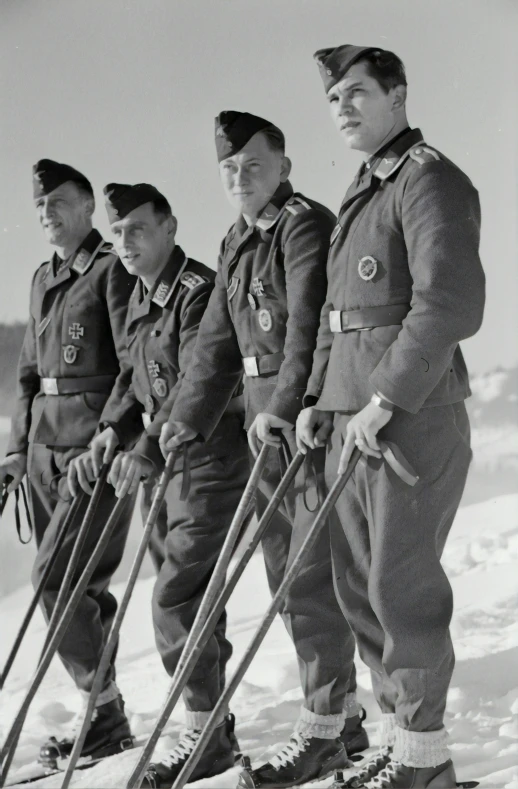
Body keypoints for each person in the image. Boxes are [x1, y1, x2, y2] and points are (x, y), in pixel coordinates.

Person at [296, 45, 485, 788]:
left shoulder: (429, 177)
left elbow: (448, 304)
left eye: (357, 92)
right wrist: (319, 400)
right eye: (335, 97)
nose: (342, 106)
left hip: (410, 415)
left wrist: (384, 398)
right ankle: (400, 741)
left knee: (400, 587)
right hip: (351, 419)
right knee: (358, 588)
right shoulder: (363, 189)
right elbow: (336, 321)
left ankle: (424, 758)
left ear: (399, 95)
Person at [162, 111, 368, 789]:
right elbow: (216, 345)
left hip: (301, 420)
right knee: (289, 581)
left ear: (283, 165)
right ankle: (339, 715)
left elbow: (306, 323)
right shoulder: (235, 241)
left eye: (253, 165)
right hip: (263, 428)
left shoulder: (302, 223)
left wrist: (286, 407)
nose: (240, 179)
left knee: (309, 577)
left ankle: (325, 729)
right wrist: (185, 418)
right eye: (228, 170)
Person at [72, 181, 250, 788]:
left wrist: (145, 445)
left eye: (138, 229)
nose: (125, 242)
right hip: (163, 466)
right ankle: (212, 727)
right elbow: (132, 377)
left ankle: (204, 734)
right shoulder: (143, 299)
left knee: (175, 597)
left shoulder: (198, 293)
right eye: (117, 232)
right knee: (191, 597)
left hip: (207, 458)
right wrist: (111, 430)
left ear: (170, 228)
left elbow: (196, 380)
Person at [0, 160, 137, 765]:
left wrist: (109, 433)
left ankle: (102, 705)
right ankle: (106, 718)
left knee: (57, 582)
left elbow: (133, 365)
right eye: (39, 206)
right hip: (42, 458)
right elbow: (29, 375)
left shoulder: (112, 272)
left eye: (58, 202)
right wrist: (13, 451)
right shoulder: (40, 280)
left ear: (86, 207)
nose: (47, 214)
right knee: (82, 592)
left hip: (92, 455)